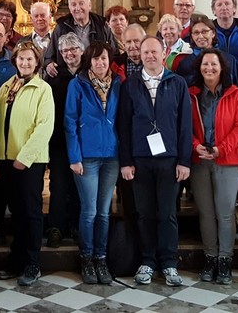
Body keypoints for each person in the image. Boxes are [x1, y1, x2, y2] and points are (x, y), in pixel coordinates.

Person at [118, 37, 192, 287]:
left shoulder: (177, 83)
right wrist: (126, 161)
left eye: (154, 51)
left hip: (169, 159)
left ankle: (169, 262)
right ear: (140, 55)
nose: (150, 56)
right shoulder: (130, 84)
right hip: (140, 159)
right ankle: (148, 261)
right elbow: (124, 125)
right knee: (145, 213)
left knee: (168, 213)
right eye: (146, 52)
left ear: (163, 54)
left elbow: (185, 125)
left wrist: (184, 161)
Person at [0, 43, 54, 286]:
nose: (25, 63)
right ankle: (17, 258)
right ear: (15, 61)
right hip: (6, 160)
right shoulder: (6, 87)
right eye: (21, 59)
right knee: (16, 213)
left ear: (37, 62)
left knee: (31, 212)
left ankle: (32, 262)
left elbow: (44, 127)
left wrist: (24, 158)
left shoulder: (43, 89)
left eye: (30, 59)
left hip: (29, 161)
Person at [188, 48, 238, 286]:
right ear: (199, 67)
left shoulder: (236, 94)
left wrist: (221, 148)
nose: (209, 68)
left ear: (222, 67)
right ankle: (210, 257)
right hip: (200, 161)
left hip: (228, 159)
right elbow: (184, 126)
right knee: (206, 212)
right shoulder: (191, 94)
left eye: (214, 64)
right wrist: (195, 145)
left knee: (225, 213)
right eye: (205, 64)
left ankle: (225, 259)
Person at [65, 41, 120, 285]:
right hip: (86, 157)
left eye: (104, 58)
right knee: (89, 211)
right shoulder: (78, 84)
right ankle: (86, 258)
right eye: (96, 59)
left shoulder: (117, 84)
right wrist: (74, 157)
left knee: (104, 212)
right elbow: (70, 122)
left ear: (109, 61)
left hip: (112, 156)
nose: (100, 63)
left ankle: (101, 257)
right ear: (89, 61)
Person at [43, 34, 84, 248]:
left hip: (84, 140)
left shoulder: (89, 72)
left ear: (81, 50)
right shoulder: (54, 74)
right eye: (65, 50)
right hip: (59, 138)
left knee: (79, 185)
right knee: (58, 185)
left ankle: (76, 225)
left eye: (73, 49)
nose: (69, 54)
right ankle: (56, 228)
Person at [45, 0, 117, 73]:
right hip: (68, 75)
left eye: (81, 3)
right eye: (73, 5)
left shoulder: (101, 25)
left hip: (97, 74)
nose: (78, 8)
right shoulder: (61, 26)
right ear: (69, 8)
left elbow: (114, 52)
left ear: (89, 6)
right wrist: (49, 64)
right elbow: (49, 56)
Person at [175, 14, 238, 88]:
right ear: (192, 36)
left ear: (213, 33)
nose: (200, 36)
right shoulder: (184, 64)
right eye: (196, 33)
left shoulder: (229, 60)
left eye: (204, 32)